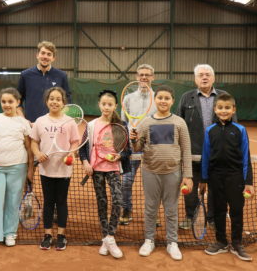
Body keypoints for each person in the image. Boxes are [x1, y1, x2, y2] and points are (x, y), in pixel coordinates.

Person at [132, 85, 193, 261]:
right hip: (150, 171)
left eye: (167, 98)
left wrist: (187, 176)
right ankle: (149, 239)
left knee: (171, 209)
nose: (163, 101)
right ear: (155, 100)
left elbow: (186, 150)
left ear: (172, 101)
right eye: (160, 98)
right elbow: (138, 148)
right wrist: (133, 139)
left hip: (173, 173)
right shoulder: (146, 122)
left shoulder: (179, 122)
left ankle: (172, 242)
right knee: (150, 208)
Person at [176, 64, 235, 230]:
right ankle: (190, 216)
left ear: (213, 78)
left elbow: (234, 124)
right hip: (192, 152)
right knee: (190, 187)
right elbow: (179, 123)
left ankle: (213, 219)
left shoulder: (224, 96)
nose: (204, 77)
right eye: (200, 75)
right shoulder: (186, 97)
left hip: (218, 153)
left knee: (217, 188)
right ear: (195, 79)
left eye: (207, 74)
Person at [199, 93, 254, 262]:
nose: (223, 111)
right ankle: (221, 241)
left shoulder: (240, 130)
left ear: (233, 109)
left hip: (235, 177)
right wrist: (203, 179)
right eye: (220, 108)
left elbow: (246, 156)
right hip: (215, 177)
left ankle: (237, 243)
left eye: (227, 108)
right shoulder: (210, 131)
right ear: (215, 110)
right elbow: (206, 156)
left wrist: (248, 182)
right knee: (219, 211)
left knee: (237, 211)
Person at [0, 88, 34, 253]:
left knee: (13, 202)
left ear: (18, 102)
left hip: (18, 167)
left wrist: (30, 169)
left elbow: (29, 148)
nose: (7, 105)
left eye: (10, 101)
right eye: (4, 101)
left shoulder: (24, 123)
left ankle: (10, 233)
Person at [80, 90, 131, 259]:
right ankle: (106, 238)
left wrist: (120, 156)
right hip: (96, 170)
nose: (106, 107)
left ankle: (110, 237)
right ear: (99, 104)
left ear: (115, 106)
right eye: (103, 104)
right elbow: (83, 148)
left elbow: (127, 150)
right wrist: (86, 162)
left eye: (110, 104)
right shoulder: (92, 125)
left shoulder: (121, 125)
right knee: (101, 202)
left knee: (118, 200)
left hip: (114, 168)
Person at [30, 87, 79, 251]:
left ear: (63, 102)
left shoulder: (69, 122)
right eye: (52, 98)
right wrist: (37, 153)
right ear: (46, 101)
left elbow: (74, 142)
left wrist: (70, 154)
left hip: (63, 169)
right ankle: (48, 235)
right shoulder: (40, 121)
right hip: (46, 169)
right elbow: (33, 141)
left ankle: (61, 235)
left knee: (62, 202)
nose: (55, 101)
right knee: (48, 202)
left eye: (58, 99)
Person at [120, 64, 157, 225]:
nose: (144, 77)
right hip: (131, 147)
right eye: (141, 74)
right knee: (126, 181)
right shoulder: (128, 99)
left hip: (152, 148)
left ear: (152, 78)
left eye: (147, 75)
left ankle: (152, 214)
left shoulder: (158, 98)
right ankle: (127, 209)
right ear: (136, 77)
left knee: (153, 184)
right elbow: (123, 124)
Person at [17, 41, 71, 124]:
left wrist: (58, 121)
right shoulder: (25, 75)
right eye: (43, 53)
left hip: (54, 126)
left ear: (53, 58)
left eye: (49, 54)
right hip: (30, 125)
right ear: (37, 55)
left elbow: (67, 101)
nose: (45, 56)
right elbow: (18, 101)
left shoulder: (62, 76)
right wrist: (23, 120)